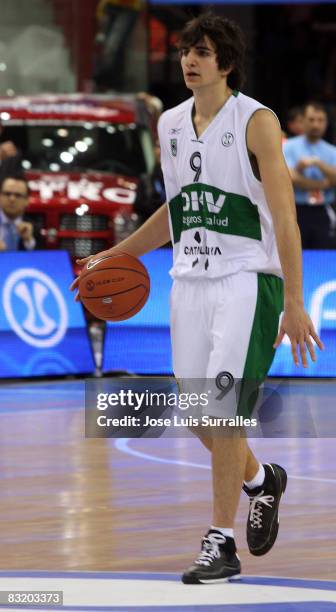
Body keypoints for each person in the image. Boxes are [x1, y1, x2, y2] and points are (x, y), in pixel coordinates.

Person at [71, 13, 323, 584]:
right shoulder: (170, 124)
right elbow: (178, 210)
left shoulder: (256, 121)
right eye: (186, 49)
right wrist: (118, 255)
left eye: (202, 52)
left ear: (226, 64)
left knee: (223, 406)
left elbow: (285, 215)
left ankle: (220, 541)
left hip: (246, 280)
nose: (190, 59)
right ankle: (262, 481)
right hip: (189, 281)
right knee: (196, 412)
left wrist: (294, 297)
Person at [283, 102, 336, 248]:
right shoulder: (288, 147)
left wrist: (319, 164)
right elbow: (289, 177)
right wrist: (324, 183)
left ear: (326, 123)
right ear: (303, 121)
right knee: (294, 256)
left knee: (324, 259)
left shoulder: (332, 151)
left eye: (320, 120)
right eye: (311, 119)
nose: (316, 125)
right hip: (295, 211)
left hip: (322, 212)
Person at [0, 176, 38, 251]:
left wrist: (28, 241)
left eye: (18, 195)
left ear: (27, 200)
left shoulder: (34, 227)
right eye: (7, 194)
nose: (12, 199)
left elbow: (43, 258)